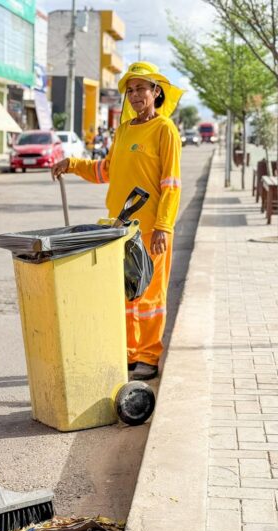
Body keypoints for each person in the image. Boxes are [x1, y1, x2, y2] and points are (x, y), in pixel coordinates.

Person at [51, 61, 184, 381]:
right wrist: (72, 165)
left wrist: (164, 226)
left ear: (156, 92)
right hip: (118, 228)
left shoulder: (165, 130)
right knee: (123, 294)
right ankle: (127, 352)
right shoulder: (124, 130)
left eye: (141, 88)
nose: (135, 95)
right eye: (130, 89)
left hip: (151, 230)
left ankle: (149, 355)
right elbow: (106, 171)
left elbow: (171, 184)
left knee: (149, 296)